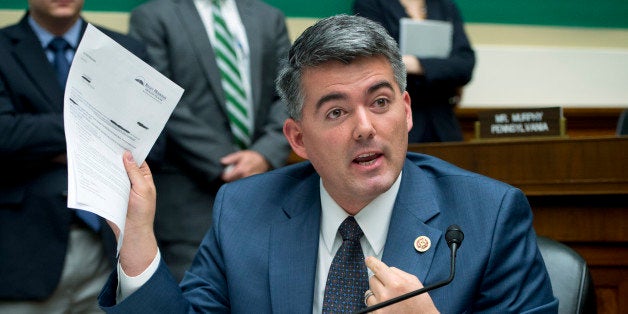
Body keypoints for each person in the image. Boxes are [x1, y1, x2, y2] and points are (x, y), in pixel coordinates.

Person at [99, 14, 558, 313]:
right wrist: (137, 240)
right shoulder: (244, 210)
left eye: (380, 102)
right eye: (336, 111)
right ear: (298, 138)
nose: (365, 127)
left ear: (408, 111)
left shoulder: (488, 216)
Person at [0, 0, 158, 313]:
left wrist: (45, 140)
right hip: (23, 249)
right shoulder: (3, 48)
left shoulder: (125, 50)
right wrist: (100, 125)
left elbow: (153, 141)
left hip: (108, 246)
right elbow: (5, 134)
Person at [126, 0, 292, 280]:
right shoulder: (152, 17)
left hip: (266, 197)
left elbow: (290, 92)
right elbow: (160, 102)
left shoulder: (269, 17)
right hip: (189, 206)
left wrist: (263, 154)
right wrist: (231, 165)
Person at [353, 0, 475, 143]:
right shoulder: (371, 4)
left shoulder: (445, 5)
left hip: (444, 122)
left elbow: (465, 65)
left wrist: (414, 63)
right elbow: (375, 61)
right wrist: (439, 68)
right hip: (398, 122)